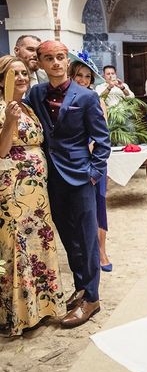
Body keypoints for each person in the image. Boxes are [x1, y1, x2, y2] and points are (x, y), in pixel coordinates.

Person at [24, 40, 111, 328]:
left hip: (80, 175)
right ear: (41, 62)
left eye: (61, 57)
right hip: (50, 177)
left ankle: (92, 299)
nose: (57, 63)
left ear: (66, 60)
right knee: (68, 238)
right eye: (49, 58)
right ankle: (81, 287)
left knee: (87, 239)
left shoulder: (85, 97)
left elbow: (102, 141)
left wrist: (93, 173)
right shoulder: (35, 94)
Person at [0, 55, 65, 336]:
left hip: (36, 194)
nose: (22, 78)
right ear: (2, 80)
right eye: (15, 74)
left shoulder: (27, 107)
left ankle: (41, 308)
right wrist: (8, 123)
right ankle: (17, 315)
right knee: (16, 247)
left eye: (25, 73)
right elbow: (1, 150)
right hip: (12, 189)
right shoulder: (4, 109)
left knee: (39, 242)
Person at [68, 57, 112, 273]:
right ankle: (86, 252)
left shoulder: (95, 98)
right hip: (70, 161)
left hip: (93, 158)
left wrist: (94, 151)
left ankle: (102, 250)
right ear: (71, 75)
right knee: (79, 209)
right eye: (79, 75)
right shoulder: (61, 98)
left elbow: (102, 132)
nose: (84, 80)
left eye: (88, 76)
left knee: (99, 203)